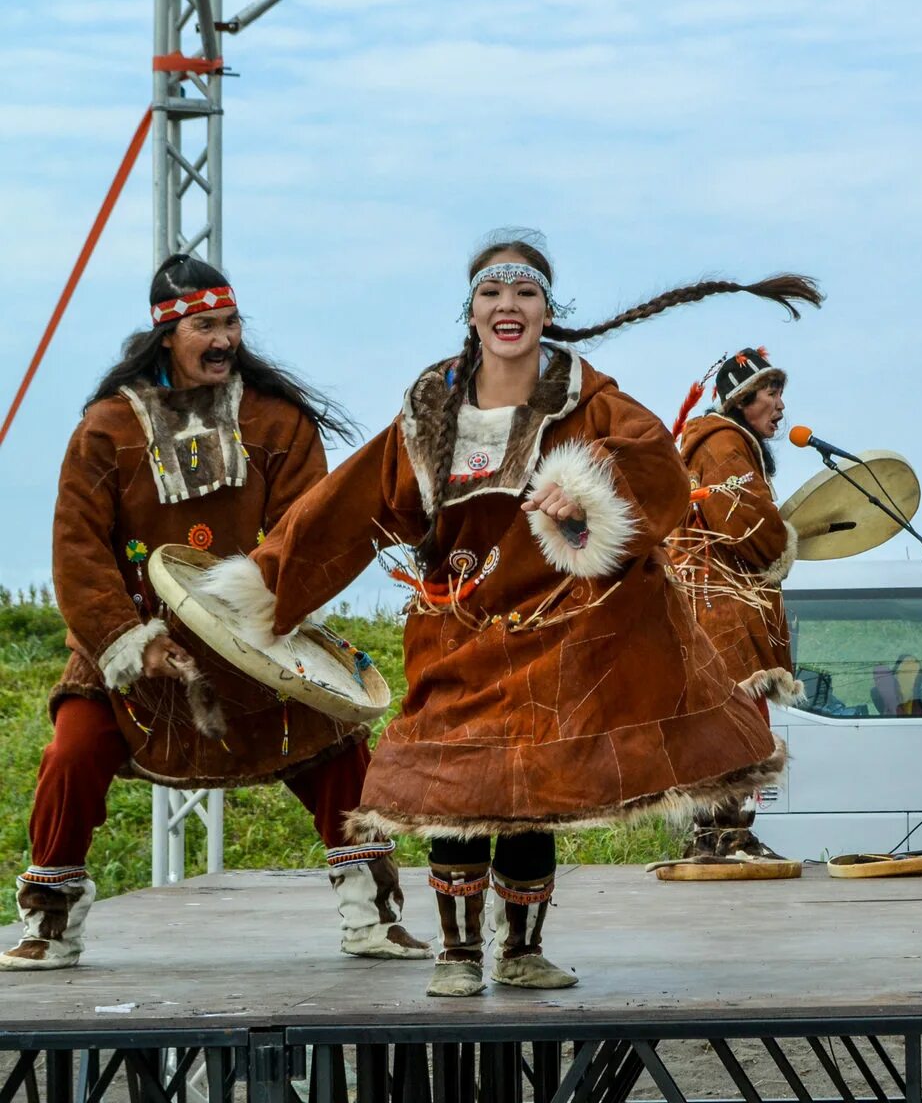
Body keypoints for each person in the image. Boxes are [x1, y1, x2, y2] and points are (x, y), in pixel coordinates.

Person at [201, 230, 820, 996]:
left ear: (546, 311)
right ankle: (457, 953)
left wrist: (590, 488)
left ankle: (522, 950)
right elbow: (349, 504)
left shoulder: (587, 399)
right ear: (471, 312)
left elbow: (656, 465)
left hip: (554, 628)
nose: (509, 305)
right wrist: (265, 587)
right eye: (493, 293)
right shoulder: (430, 409)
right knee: (453, 789)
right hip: (453, 625)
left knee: (531, 790)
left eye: (525, 293)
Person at [3, 254, 428, 971]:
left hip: (256, 637)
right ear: (168, 333)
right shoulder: (106, 431)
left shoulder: (277, 423)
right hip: (136, 647)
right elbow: (78, 552)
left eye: (231, 321)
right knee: (72, 752)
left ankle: (372, 917)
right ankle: (49, 924)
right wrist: (131, 643)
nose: (224, 337)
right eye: (207, 324)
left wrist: (250, 625)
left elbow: (306, 533)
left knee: (338, 752)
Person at [668, 346, 800, 862]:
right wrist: (781, 544)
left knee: (723, 719)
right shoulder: (725, 444)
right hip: (721, 602)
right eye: (772, 391)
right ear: (742, 397)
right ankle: (724, 837)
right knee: (736, 720)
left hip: (714, 599)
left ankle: (717, 837)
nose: (781, 405)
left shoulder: (723, 442)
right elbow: (746, 522)